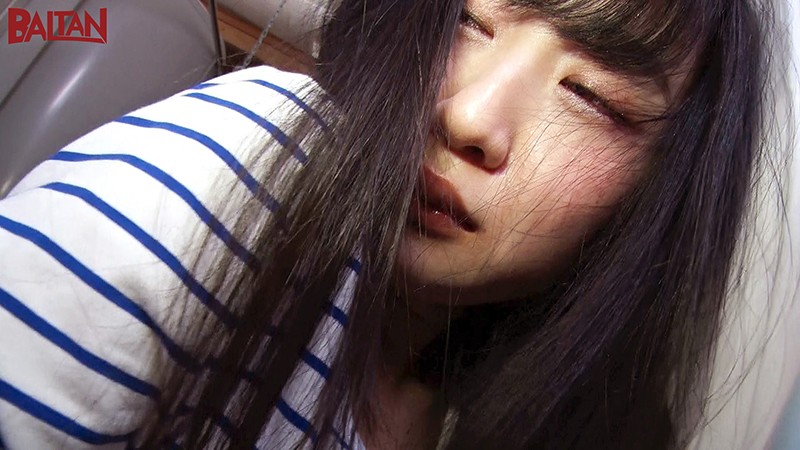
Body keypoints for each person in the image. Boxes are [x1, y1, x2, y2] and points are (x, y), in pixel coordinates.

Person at [0, 0, 789, 449]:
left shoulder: (563, 411)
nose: (471, 116)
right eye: (468, 20)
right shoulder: (241, 171)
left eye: (591, 97)